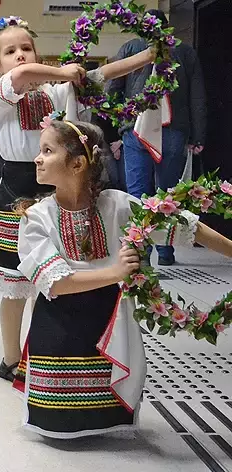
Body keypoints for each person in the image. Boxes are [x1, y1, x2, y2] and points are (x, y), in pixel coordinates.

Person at [13, 119, 232, 438]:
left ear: (77, 163)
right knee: (57, 423)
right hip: (59, 323)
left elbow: (183, 227)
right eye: (40, 151)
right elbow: (55, 282)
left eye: (47, 150)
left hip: (109, 321)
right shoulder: (36, 217)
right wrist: (115, 272)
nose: (38, 158)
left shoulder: (117, 205)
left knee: (107, 412)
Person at [0, 16, 155, 383]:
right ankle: (10, 359)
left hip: (64, 186)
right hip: (19, 189)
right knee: (17, 282)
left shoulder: (57, 91)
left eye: (27, 48)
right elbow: (22, 78)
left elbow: (101, 74)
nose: (21, 57)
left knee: (65, 271)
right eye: (11, 52)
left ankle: (56, 350)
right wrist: (64, 70)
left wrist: (149, 55)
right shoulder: (0, 96)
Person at [106, 9, 207, 265]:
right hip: (174, 130)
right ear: (168, 27)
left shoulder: (130, 48)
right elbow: (197, 96)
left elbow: (112, 90)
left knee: (138, 194)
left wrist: (119, 124)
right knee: (168, 194)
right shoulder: (185, 52)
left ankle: (140, 253)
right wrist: (198, 135)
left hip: (136, 130)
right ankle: (165, 251)